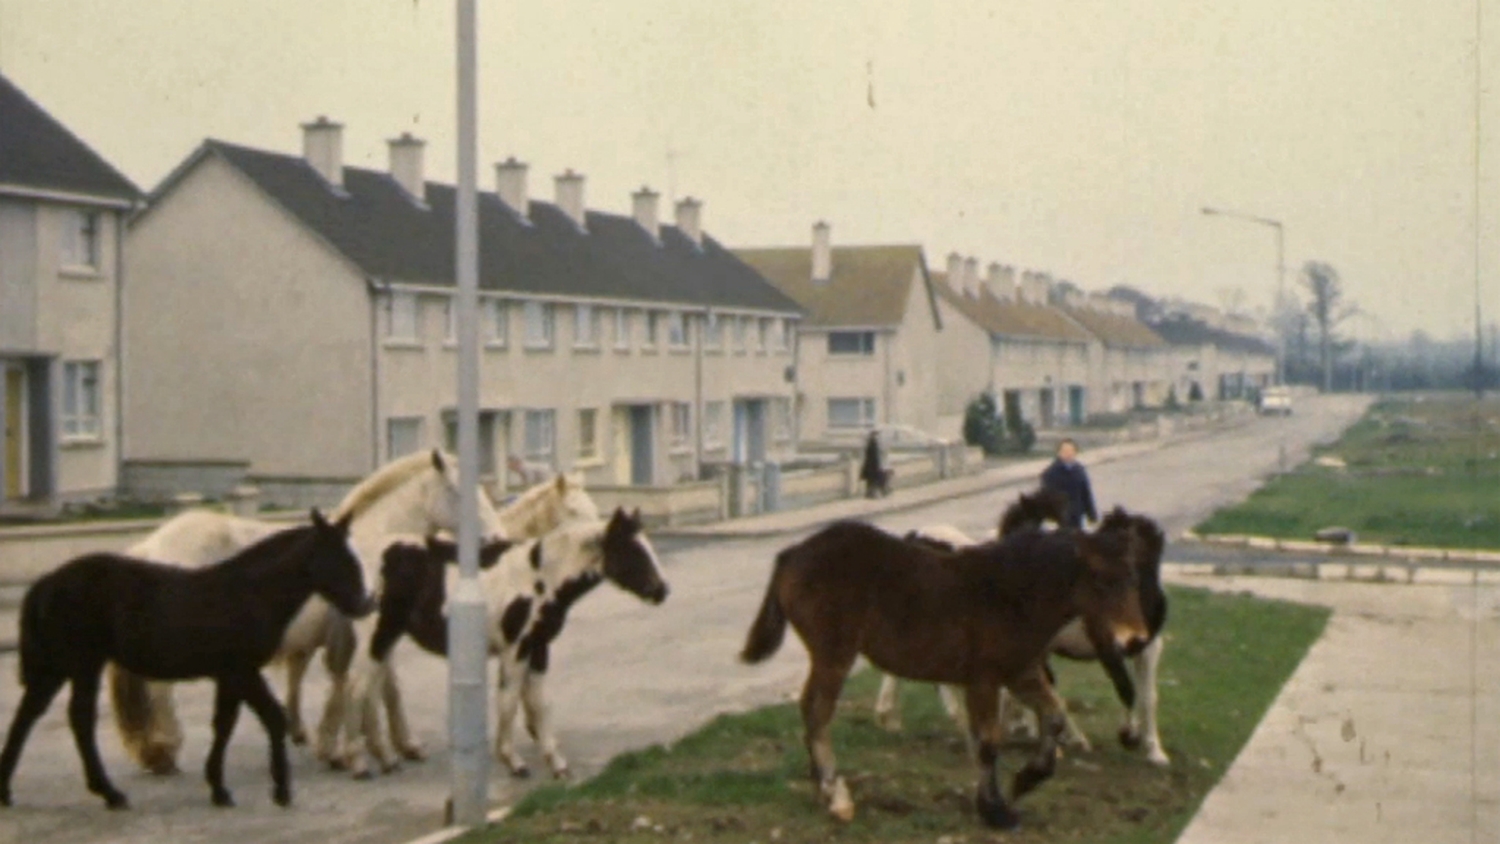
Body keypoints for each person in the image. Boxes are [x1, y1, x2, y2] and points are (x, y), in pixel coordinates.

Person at [1040, 438, 1097, 529]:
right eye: (1065, 451)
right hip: (1059, 520)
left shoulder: (1080, 470)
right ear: (1059, 453)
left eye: (1071, 451)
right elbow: (1046, 498)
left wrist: (1092, 515)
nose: (1068, 454)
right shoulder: (1050, 473)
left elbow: (1086, 493)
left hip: (1077, 517)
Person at [860, 430, 891, 498]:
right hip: (873, 467)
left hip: (872, 467)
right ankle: (872, 494)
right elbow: (874, 457)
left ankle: (870, 493)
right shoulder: (873, 444)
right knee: (873, 481)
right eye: (875, 435)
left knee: (872, 482)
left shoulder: (871, 443)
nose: (876, 437)